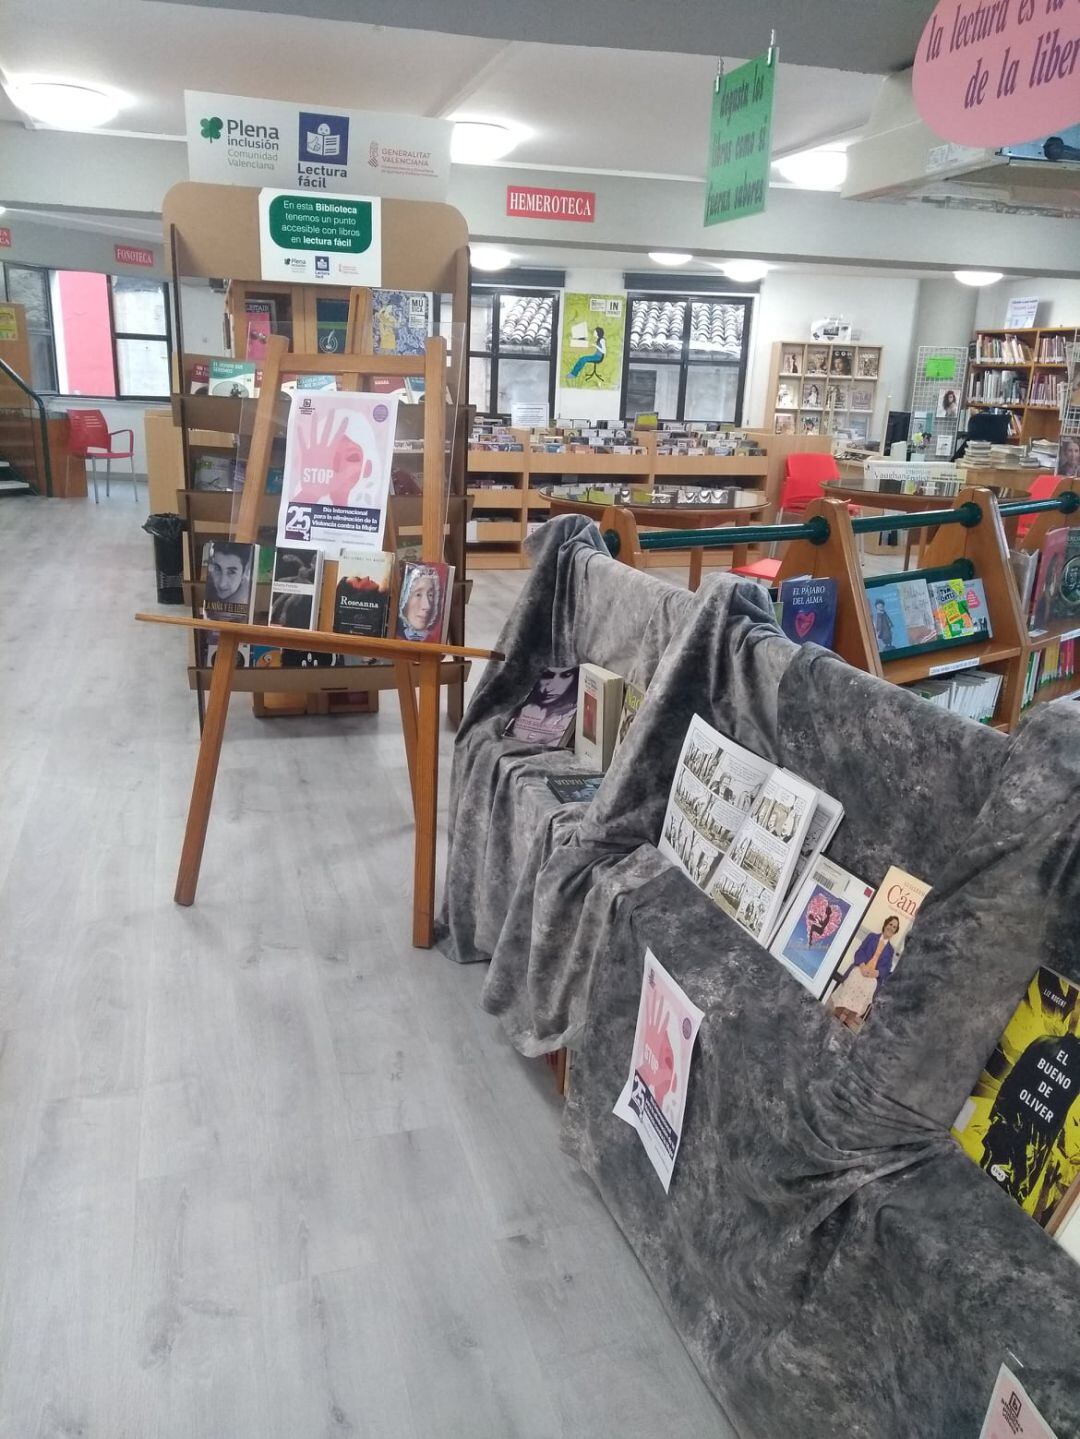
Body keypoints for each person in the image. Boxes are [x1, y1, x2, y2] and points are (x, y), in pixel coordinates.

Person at [829, 915, 901, 1028]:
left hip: (873, 976)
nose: (891, 927)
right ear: (885, 925)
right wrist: (862, 966)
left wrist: (876, 973)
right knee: (854, 977)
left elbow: (887, 968)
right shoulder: (872, 937)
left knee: (869, 985)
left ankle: (849, 1020)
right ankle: (837, 1013)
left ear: (895, 931)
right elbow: (860, 951)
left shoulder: (890, 950)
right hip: (861, 968)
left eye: (894, 927)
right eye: (890, 924)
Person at [506, 666, 578, 745]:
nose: (550, 688)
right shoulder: (527, 708)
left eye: (565, 676)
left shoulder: (571, 714)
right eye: (548, 675)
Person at [396, 564, 445, 642]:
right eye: (418, 594)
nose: (427, 606)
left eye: (430, 595)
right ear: (403, 599)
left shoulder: (434, 642)